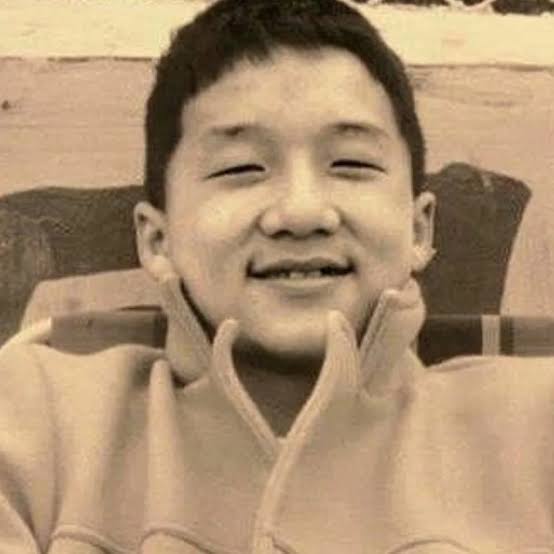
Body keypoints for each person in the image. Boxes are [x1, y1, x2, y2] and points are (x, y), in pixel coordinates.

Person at [0, 0, 552, 552]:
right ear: (157, 240)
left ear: (418, 228)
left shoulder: (533, 430)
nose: (301, 212)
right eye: (242, 168)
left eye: (351, 164)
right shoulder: (40, 420)